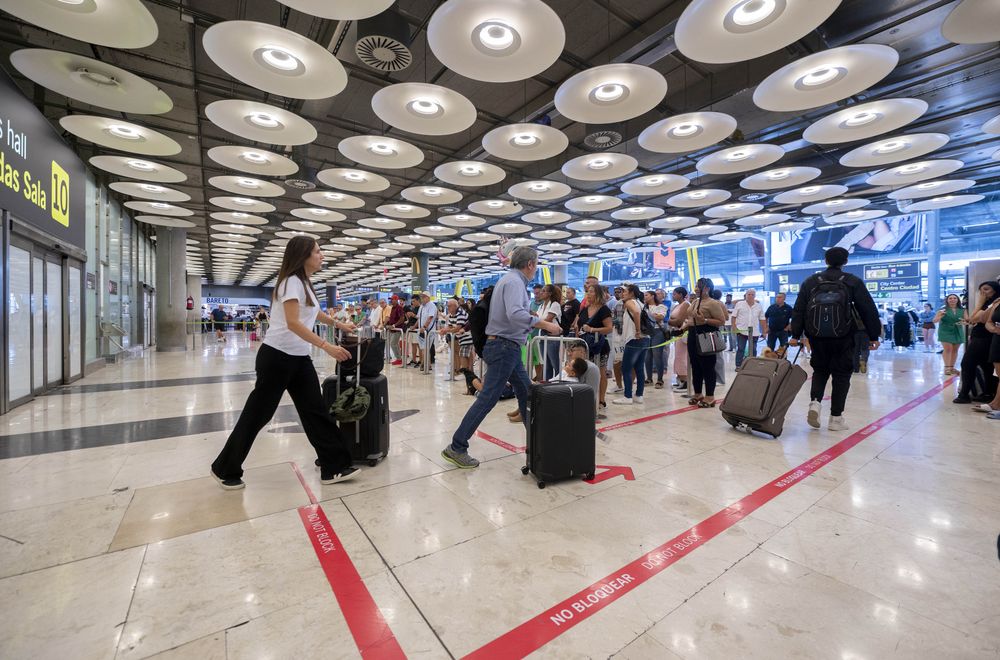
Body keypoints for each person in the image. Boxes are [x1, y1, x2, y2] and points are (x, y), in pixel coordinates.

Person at [210, 236, 358, 490]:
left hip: (299, 358)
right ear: (303, 256)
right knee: (258, 414)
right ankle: (224, 467)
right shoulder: (291, 282)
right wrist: (327, 346)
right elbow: (293, 322)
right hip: (277, 357)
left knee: (315, 411)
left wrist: (339, 324)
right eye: (317, 251)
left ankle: (333, 465)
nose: (322, 255)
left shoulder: (305, 283)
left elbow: (313, 312)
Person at [444, 246, 560, 469]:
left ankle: (538, 444)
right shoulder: (515, 282)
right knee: (488, 398)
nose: (536, 269)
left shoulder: (509, 280)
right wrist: (547, 325)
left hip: (506, 346)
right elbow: (515, 314)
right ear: (530, 264)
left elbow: (512, 314)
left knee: (526, 393)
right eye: (536, 264)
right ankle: (457, 446)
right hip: (504, 346)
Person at [790, 247, 881, 431]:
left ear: (825, 261)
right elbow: (868, 309)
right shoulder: (852, 281)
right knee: (841, 375)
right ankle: (836, 418)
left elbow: (799, 310)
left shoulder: (811, 282)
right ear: (845, 262)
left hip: (817, 337)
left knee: (820, 371)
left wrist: (795, 335)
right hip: (844, 336)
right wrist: (873, 336)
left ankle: (815, 403)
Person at [683, 278, 728, 407]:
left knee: (707, 367)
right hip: (693, 334)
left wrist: (706, 320)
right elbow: (690, 318)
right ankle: (698, 394)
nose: (696, 289)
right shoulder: (695, 301)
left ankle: (710, 396)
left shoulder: (713, 303)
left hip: (706, 335)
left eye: (699, 286)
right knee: (695, 365)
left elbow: (721, 321)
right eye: (696, 286)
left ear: (707, 288)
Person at [954, 282, 1000, 404]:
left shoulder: (994, 303)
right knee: (987, 367)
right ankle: (988, 393)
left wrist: (979, 303)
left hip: (984, 338)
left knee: (967, 363)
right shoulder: (989, 303)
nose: (983, 292)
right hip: (982, 338)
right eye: (981, 290)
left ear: (995, 290)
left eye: (986, 289)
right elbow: (973, 320)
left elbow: (973, 318)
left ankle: (964, 394)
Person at [577, 284, 612, 414]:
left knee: (600, 372)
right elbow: (579, 325)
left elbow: (609, 328)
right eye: (587, 292)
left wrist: (592, 329)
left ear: (598, 294)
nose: (588, 294)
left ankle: (601, 400)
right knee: (585, 371)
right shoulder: (584, 309)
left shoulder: (604, 310)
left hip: (599, 346)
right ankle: (587, 398)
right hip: (585, 346)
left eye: (591, 291)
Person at [613, 284, 651, 405]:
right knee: (639, 368)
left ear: (632, 293)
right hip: (645, 338)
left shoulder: (630, 302)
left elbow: (636, 313)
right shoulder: (641, 303)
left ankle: (628, 396)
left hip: (634, 339)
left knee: (626, 368)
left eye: (625, 291)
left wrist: (638, 331)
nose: (622, 293)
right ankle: (639, 395)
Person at [732, 288, 766, 369]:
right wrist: (734, 327)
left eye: (752, 294)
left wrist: (764, 331)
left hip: (754, 332)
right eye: (749, 294)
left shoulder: (758, 306)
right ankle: (738, 365)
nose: (750, 296)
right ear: (745, 295)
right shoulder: (739, 304)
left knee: (753, 349)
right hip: (741, 330)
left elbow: (762, 319)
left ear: (755, 296)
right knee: (741, 348)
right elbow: (733, 317)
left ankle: (752, 365)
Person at [934, 294, 966, 376]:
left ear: (958, 300)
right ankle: (947, 368)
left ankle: (952, 368)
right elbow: (934, 320)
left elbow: (967, 320)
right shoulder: (942, 310)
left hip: (957, 330)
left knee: (955, 350)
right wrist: (940, 316)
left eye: (954, 298)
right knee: (948, 349)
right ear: (947, 300)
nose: (952, 300)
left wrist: (964, 322)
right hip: (945, 330)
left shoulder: (963, 310)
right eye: (950, 298)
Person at [536, 284, 563, 381]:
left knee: (554, 362)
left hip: (552, 335)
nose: (541, 293)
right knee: (546, 363)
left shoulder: (554, 304)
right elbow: (536, 319)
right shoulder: (541, 306)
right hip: (542, 334)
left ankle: (559, 382)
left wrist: (535, 322)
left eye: (544, 291)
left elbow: (548, 320)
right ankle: (548, 384)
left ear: (550, 293)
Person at [440, 297, 474, 373]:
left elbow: (458, 328)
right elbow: (450, 326)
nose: (448, 308)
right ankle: (466, 372)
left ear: (455, 306)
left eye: (449, 306)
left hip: (467, 337)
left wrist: (446, 331)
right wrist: (444, 330)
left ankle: (467, 373)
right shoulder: (452, 314)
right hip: (461, 338)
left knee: (463, 355)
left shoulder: (460, 313)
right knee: (462, 354)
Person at [644, 290, 669, 388]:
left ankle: (660, 379)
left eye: (646, 295)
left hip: (658, 332)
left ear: (652, 296)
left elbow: (660, 317)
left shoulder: (661, 306)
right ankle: (649, 378)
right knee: (647, 357)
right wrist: (653, 315)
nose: (644, 297)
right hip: (646, 333)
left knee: (657, 355)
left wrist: (647, 315)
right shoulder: (643, 307)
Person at [668, 287, 690, 392]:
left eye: (674, 294)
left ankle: (685, 382)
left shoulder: (686, 304)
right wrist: (672, 321)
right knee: (678, 357)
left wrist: (670, 321)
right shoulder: (677, 306)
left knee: (682, 358)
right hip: (677, 334)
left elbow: (679, 321)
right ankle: (680, 379)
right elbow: (673, 319)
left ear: (681, 294)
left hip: (683, 334)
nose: (673, 296)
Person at [416, 291, 437, 369]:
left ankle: (424, 364)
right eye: (421, 297)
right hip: (421, 331)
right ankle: (427, 364)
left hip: (428, 331)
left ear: (428, 298)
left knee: (426, 348)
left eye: (423, 297)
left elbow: (430, 317)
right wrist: (414, 326)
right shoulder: (422, 306)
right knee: (423, 348)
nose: (422, 299)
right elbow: (419, 318)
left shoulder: (432, 305)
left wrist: (424, 327)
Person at [386, 296, 406, 365]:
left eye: (392, 299)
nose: (391, 301)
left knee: (393, 343)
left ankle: (399, 359)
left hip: (397, 329)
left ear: (396, 300)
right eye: (391, 299)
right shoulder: (392, 308)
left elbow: (402, 318)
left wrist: (394, 325)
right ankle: (399, 359)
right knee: (395, 344)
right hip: (392, 329)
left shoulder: (399, 308)